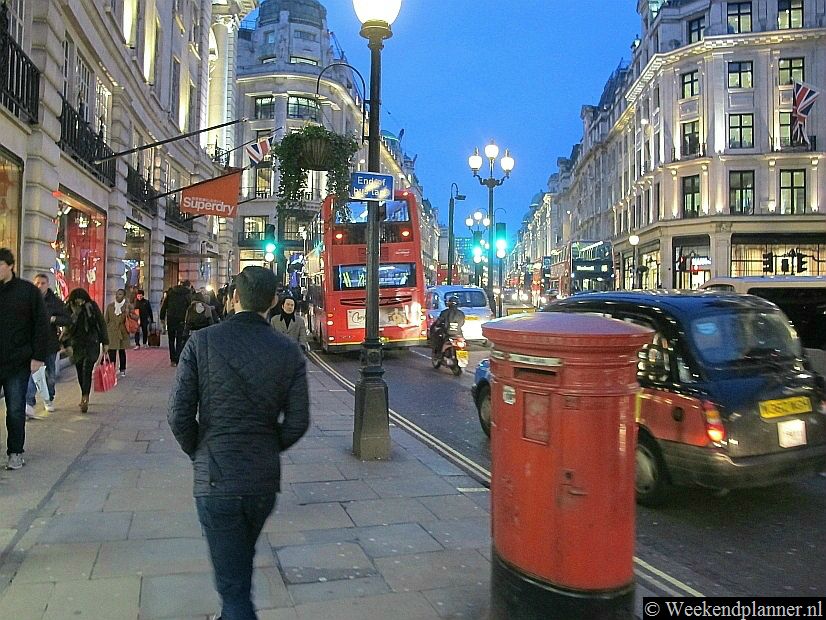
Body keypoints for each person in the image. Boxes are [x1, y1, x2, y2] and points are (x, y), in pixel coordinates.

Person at [168, 266, 309, 620]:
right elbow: (298, 422)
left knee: (233, 592)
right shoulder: (288, 352)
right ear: (273, 301)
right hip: (262, 480)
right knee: (238, 568)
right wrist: (265, 445)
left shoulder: (201, 343)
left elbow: (178, 416)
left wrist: (199, 449)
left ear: (233, 299)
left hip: (217, 480)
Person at [0, 248, 50, 470]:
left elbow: (41, 325)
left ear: (10, 265)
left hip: (17, 361)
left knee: (16, 409)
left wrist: (37, 356)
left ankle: (15, 451)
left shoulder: (27, 292)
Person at [25, 273, 71, 416]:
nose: (39, 286)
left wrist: (53, 319)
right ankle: (29, 403)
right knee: (31, 374)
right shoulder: (28, 300)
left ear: (48, 284)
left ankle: (48, 398)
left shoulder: (55, 302)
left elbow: (67, 319)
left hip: (49, 344)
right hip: (31, 344)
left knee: (49, 375)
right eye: (37, 283)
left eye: (42, 283)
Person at [61, 288, 108, 413]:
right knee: (80, 371)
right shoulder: (69, 308)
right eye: (77, 300)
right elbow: (65, 327)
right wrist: (66, 344)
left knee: (87, 369)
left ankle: (85, 397)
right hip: (76, 344)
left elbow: (101, 323)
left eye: (82, 299)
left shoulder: (91, 306)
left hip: (92, 342)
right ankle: (84, 392)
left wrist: (105, 342)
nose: (80, 302)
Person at [160, 279, 193, 367]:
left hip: (171, 318)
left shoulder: (171, 292)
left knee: (171, 339)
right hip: (181, 319)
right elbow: (190, 307)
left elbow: (164, 305)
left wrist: (162, 317)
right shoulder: (187, 294)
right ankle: (178, 358)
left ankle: (172, 359)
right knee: (179, 339)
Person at [104, 288, 132, 377]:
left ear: (124, 296)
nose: (117, 296)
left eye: (120, 294)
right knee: (111, 351)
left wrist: (128, 314)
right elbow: (106, 320)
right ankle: (111, 370)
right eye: (116, 294)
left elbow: (134, 318)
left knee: (121, 351)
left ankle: (122, 369)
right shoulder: (110, 306)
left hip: (122, 331)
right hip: (111, 331)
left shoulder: (127, 306)